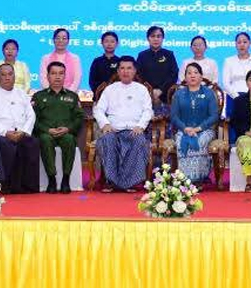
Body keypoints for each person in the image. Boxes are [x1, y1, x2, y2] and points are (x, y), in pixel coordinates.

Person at [93, 56, 153, 193]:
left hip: (134, 130)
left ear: (135, 71)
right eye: (122, 68)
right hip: (114, 130)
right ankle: (111, 181)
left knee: (140, 141)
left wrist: (141, 126)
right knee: (107, 140)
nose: (125, 71)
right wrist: (105, 124)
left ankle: (128, 183)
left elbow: (148, 111)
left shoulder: (141, 89)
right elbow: (98, 110)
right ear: (118, 71)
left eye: (129, 68)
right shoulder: (110, 89)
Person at [0, 63, 41, 194]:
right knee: (5, 144)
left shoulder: (21, 93)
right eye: (3, 75)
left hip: (20, 132)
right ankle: (5, 186)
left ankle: (27, 186)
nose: (7, 77)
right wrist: (5, 132)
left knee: (32, 143)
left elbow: (31, 115)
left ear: (14, 76)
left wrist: (24, 131)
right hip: (1, 134)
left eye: (10, 74)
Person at [33, 61, 85, 193]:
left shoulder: (72, 96)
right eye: (53, 73)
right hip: (46, 133)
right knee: (45, 139)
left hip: (66, 133)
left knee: (69, 139)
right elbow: (33, 119)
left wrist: (68, 129)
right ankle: (52, 179)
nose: (57, 77)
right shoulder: (38, 96)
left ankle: (65, 180)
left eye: (61, 73)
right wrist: (47, 130)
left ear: (65, 76)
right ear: (47, 76)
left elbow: (79, 118)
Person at [170, 63, 220, 186]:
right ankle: (184, 180)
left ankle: (198, 179)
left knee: (200, 140)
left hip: (205, 130)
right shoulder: (179, 94)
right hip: (184, 130)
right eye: (189, 73)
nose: (192, 75)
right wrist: (184, 128)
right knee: (180, 141)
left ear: (201, 76)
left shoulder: (208, 93)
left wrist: (198, 128)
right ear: (185, 77)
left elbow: (214, 116)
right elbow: (174, 117)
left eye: (196, 72)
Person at [136, 26, 178, 108]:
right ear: (148, 38)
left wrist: (161, 90)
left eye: (159, 36)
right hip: (146, 94)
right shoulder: (142, 55)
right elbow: (138, 75)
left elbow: (174, 74)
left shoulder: (169, 54)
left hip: (166, 94)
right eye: (153, 36)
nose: (156, 39)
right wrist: (150, 91)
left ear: (162, 38)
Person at [222, 32, 251, 100]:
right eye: (239, 42)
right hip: (233, 96)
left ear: (249, 43)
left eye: (245, 42)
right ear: (235, 44)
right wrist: (237, 97)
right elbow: (225, 84)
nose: (242, 45)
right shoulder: (228, 61)